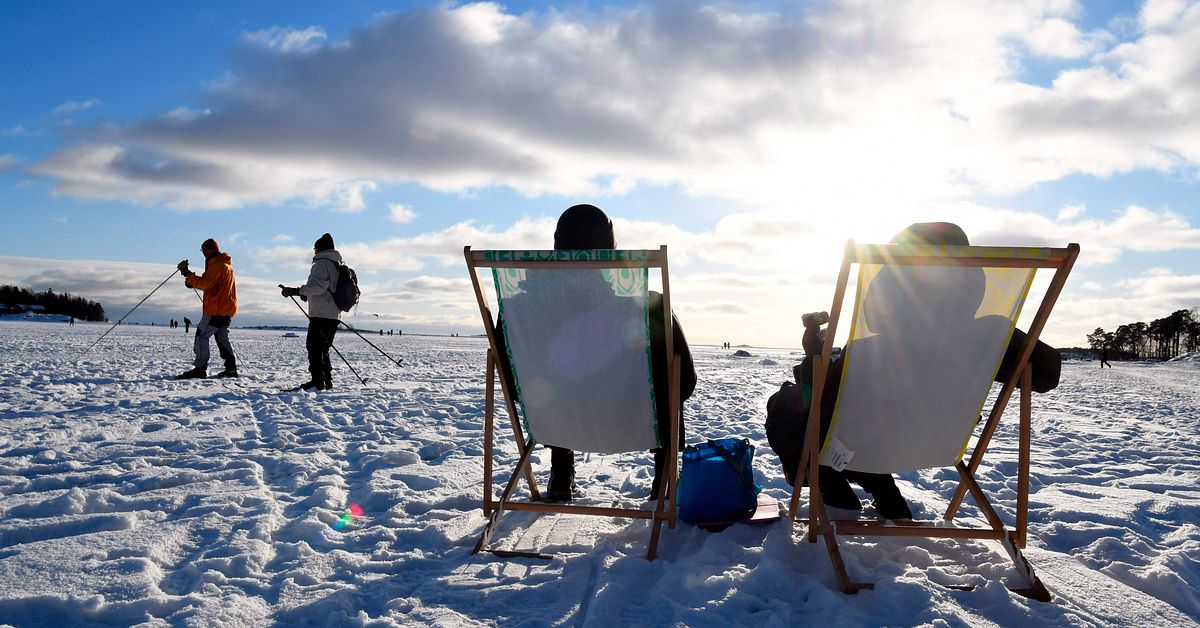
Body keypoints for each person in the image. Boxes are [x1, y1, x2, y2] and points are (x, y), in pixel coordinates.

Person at [767, 222, 1062, 521]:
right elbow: (1047, 375)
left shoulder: (869, 351)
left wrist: (813, 357)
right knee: (850, 422)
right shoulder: (991, 337)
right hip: (940, 443)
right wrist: (1004, 341)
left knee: (786, 407)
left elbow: (819, 407)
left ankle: (836, 495)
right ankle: (886, 495)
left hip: (874, 440)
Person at [494, 204, 698, 502]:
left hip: (553, 412)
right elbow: (685, 383)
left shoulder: (517, 310)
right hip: (629, 411)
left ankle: (561, 474)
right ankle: (664, 475)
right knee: (669, 369)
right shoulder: (647, 310)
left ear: (557, 247)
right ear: (609, 252)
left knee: (556, 386)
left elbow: (514, 386)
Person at [280, 232, 343, 391]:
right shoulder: (335, 264)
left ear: (320, 249)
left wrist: (295, 291)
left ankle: (317, 382)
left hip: (321, 314)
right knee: (323, 349)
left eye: (315, 248)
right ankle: (325, 381)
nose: (314, 251)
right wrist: (307, 295)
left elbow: (318, 287)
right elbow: (325, 289)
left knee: (314, 347)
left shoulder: (322, 263)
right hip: (332, 313)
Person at [176, 238, 238, 379]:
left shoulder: (217, 264)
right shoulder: (226, 265)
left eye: (204, 250)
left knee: (201, 335)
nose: (203, 253)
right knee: (222, 338)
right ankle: (231, 369)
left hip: (215, 310)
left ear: (210, 249)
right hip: (226, 310)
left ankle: (200, 368)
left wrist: (188, 274)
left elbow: (206, 283)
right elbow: (212, 284)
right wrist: (191, 279)